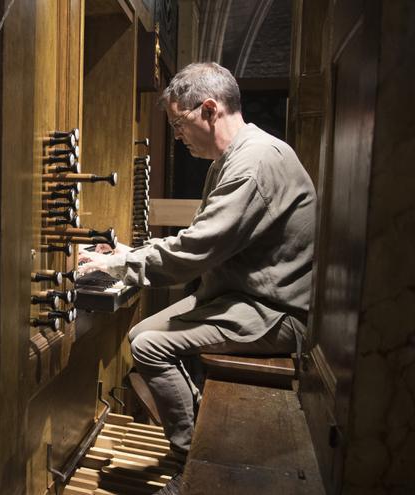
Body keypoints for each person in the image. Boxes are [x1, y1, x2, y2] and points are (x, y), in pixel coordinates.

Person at [78, 62, 316, 472]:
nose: (177, 136)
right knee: (140, 332)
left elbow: (196, 252)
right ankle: (199, 424)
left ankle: (191, 461)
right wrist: (130, 251)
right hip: (242, 296)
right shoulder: (230, 161)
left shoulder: (254, 163)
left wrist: (120, 264)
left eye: (177, 123)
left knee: (149, 346)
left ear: (209, 109)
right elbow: (202, 237)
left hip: (278, 312)